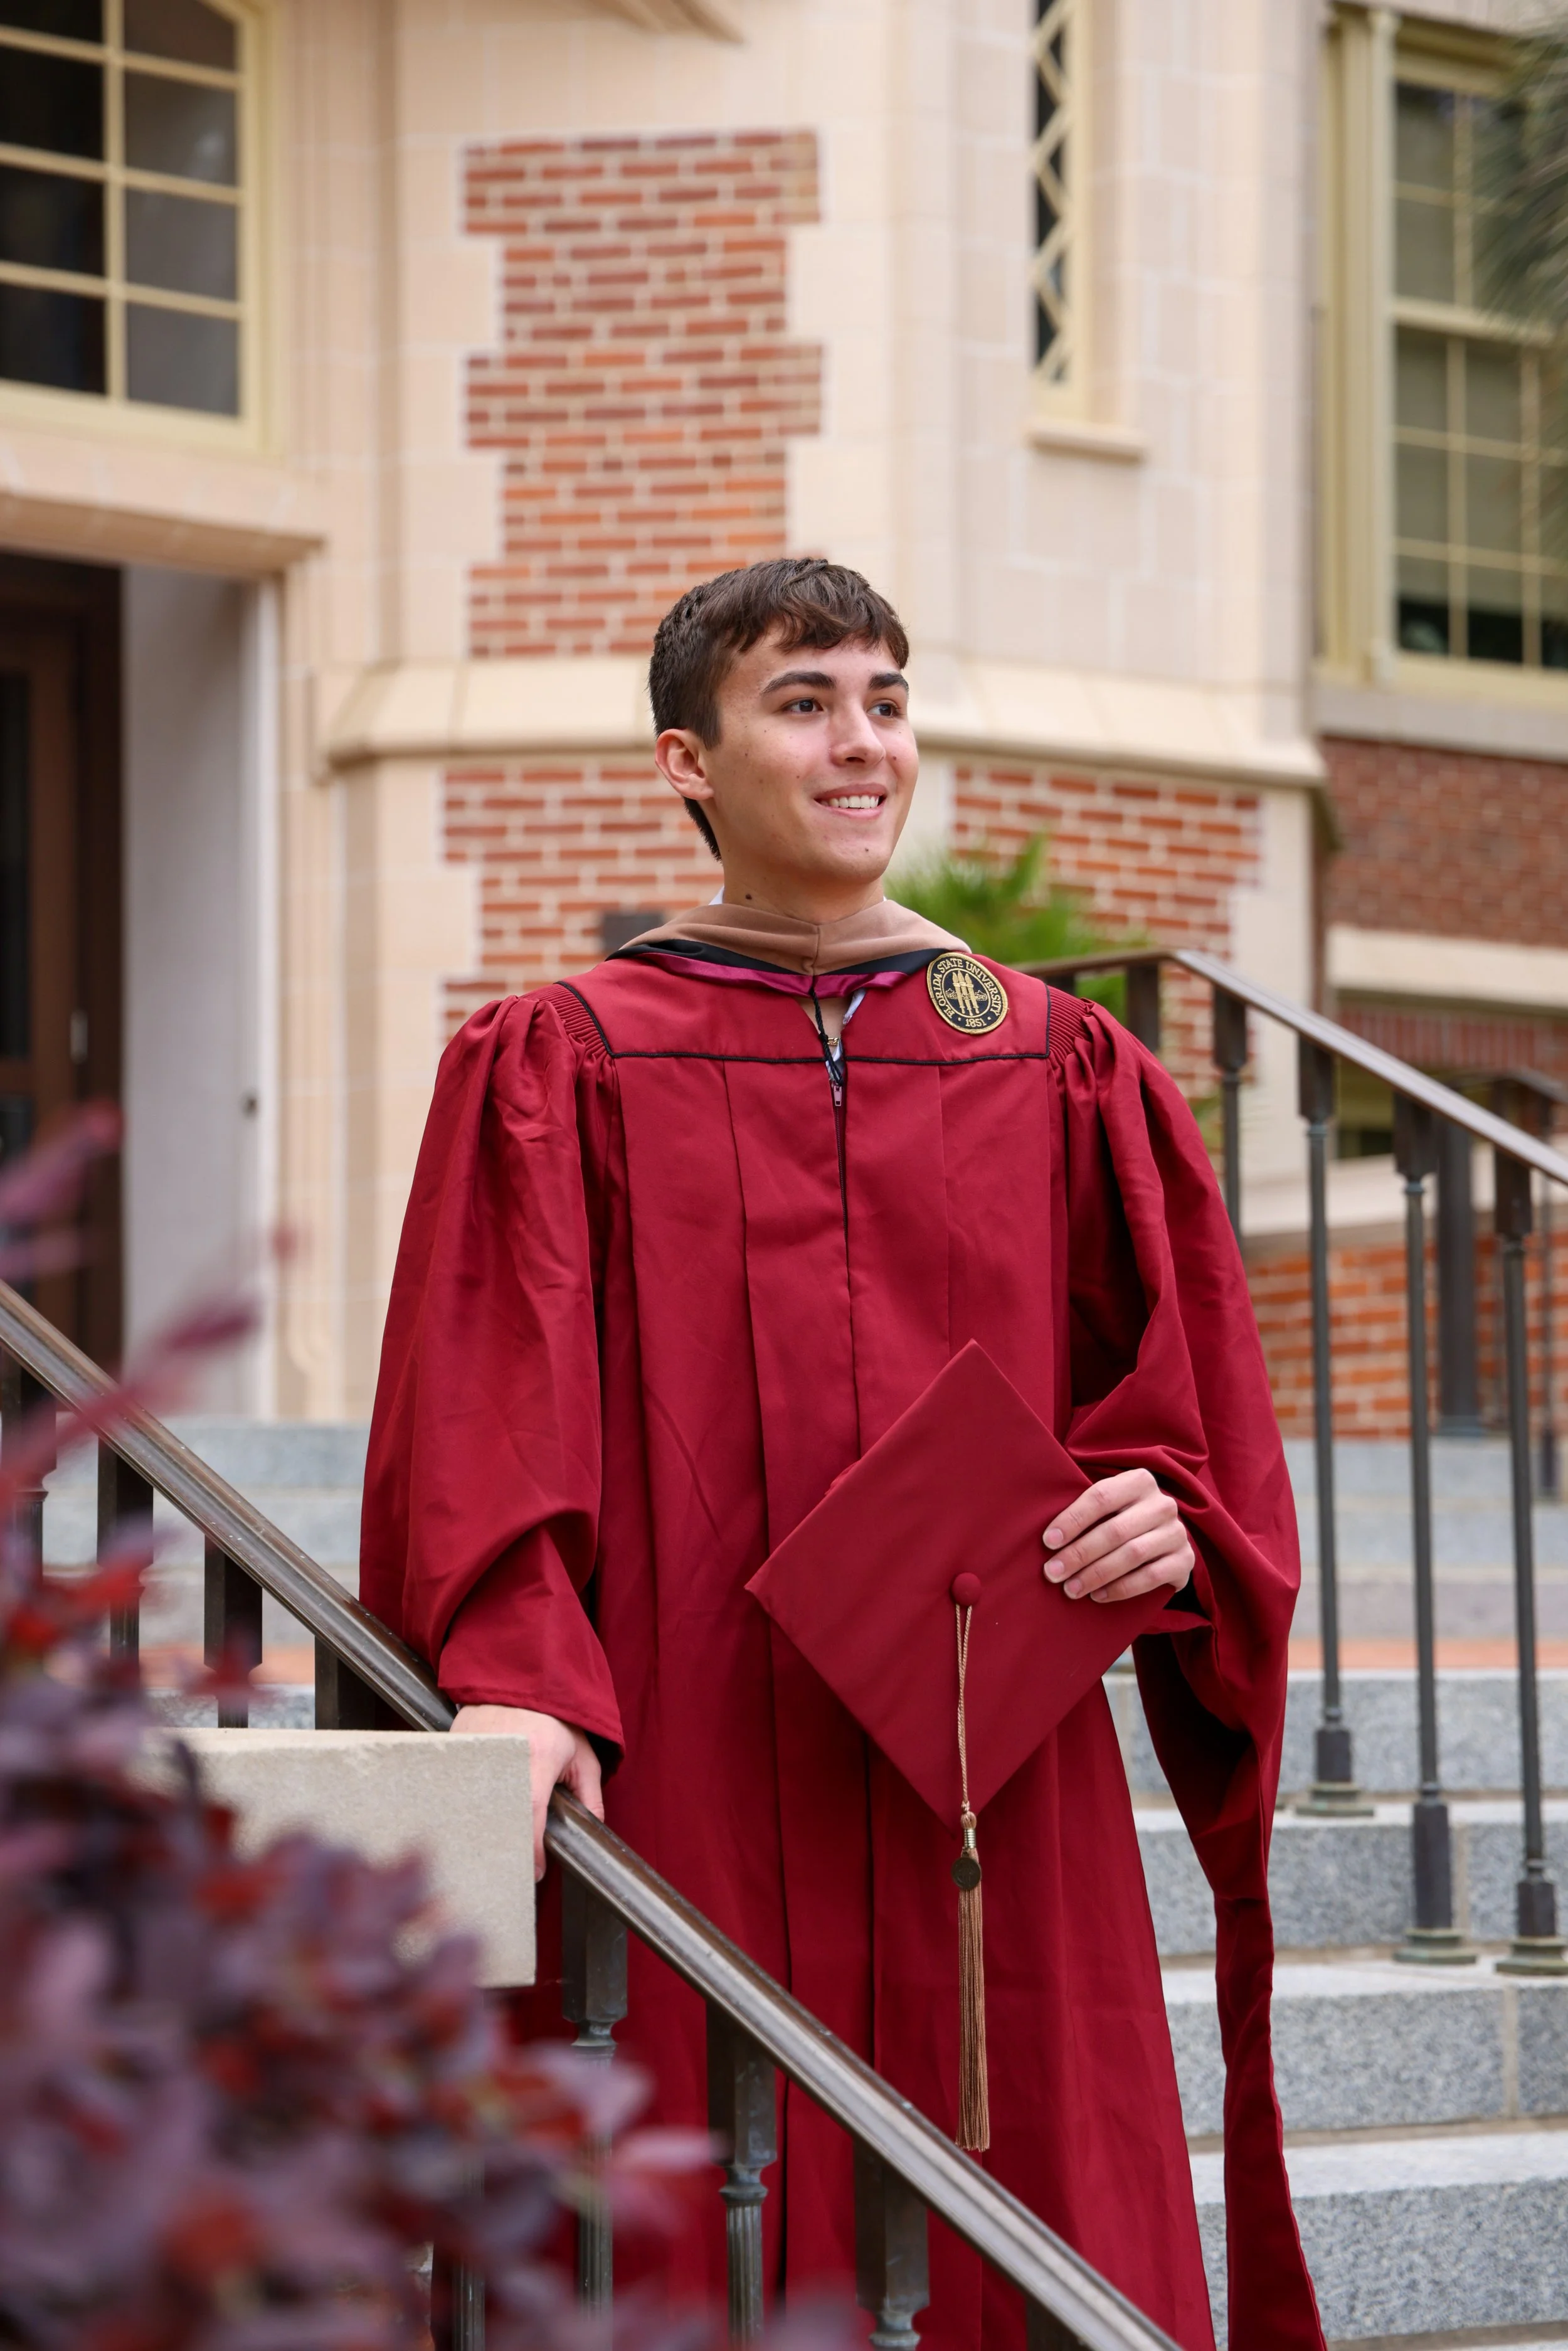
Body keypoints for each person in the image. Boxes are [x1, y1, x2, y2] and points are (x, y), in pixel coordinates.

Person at [361, 558, 1322, 2351]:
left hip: (984, 1765)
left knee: (1013, 2185)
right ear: (688, 762)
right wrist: (511, 1668)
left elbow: (1184, 1414)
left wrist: (1162, 1513)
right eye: (802, 702)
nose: (860, 741)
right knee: (685, 2177)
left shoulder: (1059, 1064)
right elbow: (483, 1399)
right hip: (690, 1736)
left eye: (884, 699)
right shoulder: (558, 1060)